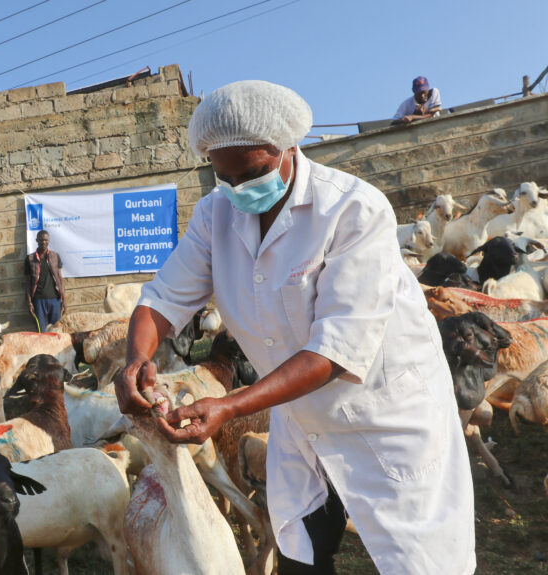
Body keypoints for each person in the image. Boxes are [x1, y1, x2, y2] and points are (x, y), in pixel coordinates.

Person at [115, 80, 474, 574]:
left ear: (290, 147)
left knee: (417, 561)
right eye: (225, 177)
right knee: (300, 550)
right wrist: (137, 358)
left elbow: (336, 349)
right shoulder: (215, 215)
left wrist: (229, 406)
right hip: (297, 412)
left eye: (254, 172)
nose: (239, 189)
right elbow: (161, 300)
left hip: (382, 410)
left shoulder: (353, 210)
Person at [24, 230, 66, 332]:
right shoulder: (29, 259)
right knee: (42, 332)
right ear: (37, 240)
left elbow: (60, 279)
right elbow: (27, 283)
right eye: (41, 240)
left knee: (56, 331)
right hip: (38, 302)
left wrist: (64, 300)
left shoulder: (55, 256)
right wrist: (29, 303)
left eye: (46, 240)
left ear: (49, 241)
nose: (44, 242)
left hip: (55, 300)